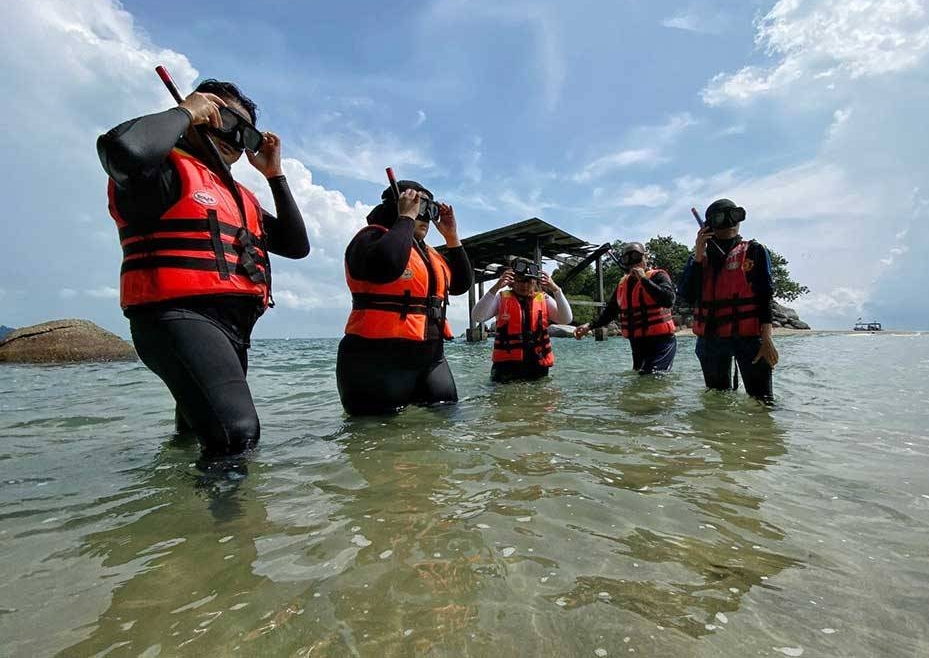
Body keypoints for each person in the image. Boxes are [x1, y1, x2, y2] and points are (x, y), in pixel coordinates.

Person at [96, 79, 310, 458]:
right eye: (223, 118)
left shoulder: (237, 196)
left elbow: (296, 246)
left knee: (197, 435)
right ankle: (234, 519)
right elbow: (121, 149)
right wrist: (184, 113)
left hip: (230, 330)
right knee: (236, 435)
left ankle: (181, 511)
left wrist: (275, 175)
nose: (234, 136)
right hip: (177, 317)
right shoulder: (159, 173)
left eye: (245, 133)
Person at [337, 181, 472, 415]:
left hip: (431, 360)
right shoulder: (369, 240)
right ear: (399, 205)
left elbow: (461, 284)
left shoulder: (429, 255)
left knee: (446, 423)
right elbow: (387, 265)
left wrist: (452, 237)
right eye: (418, 206)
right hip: (375, 362)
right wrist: (405, 219)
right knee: (375, 443)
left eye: (430, 211)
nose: (426, 218)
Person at [676, 198, 779, 402]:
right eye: (721, 218)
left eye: (734, 216)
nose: (729, 223)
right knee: (716, 400)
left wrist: (767, 339)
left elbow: (765, 296)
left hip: (749, 338)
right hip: (711, 339)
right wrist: (698, 253)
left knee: (762, 401)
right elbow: (686, 295)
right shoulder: (699, 257)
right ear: (708, 225)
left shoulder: (754, 251)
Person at [574, 242, 678, 373]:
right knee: (640, 379)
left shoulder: (658, 276)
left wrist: (644, 280)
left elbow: (668, 300)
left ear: (646, 257)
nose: (633, 263)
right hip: (637, 343)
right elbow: (610, 312)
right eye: (627, 259)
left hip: (661, 343)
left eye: (636, 257)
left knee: (652, 378)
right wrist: (589, 326)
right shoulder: (623, 284)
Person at [471, 257, 573, 382]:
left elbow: (566, 319)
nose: (525, 285)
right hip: (506, 367)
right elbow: (477, 317)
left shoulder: (543, 299)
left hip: (537, 365)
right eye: (520, 281)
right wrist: (496, 287)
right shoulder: (501, 299)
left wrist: (556, 290)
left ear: (535, 282)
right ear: (512, 281)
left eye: (529, 281)